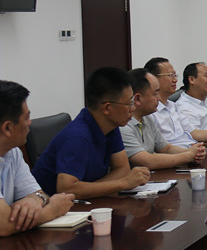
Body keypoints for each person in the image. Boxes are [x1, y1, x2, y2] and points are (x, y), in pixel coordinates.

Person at [32, 68, 151, 198]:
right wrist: (123, 183)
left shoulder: (111, 126)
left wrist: (91, 189)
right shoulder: (77, 137)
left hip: (87, 202)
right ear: (107, 108)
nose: (133, 108)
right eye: (129, 103)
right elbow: (66, 189)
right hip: (50, 205)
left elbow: (122, 169)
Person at [0, 81, 74, 236]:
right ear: (7, 128)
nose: (30, 123)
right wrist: (52, 210)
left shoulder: (13, 152)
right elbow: (4, 225)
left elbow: (39, 193)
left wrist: (34, 199)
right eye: (26, 118)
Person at [120, 69, 206, 169]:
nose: (159, 98)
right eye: (155, 94)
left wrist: (195, 153)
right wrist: (188, 156)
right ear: (138, 98)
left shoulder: (147, 118)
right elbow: (147, 161)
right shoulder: (123, 126)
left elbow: (166, 148)